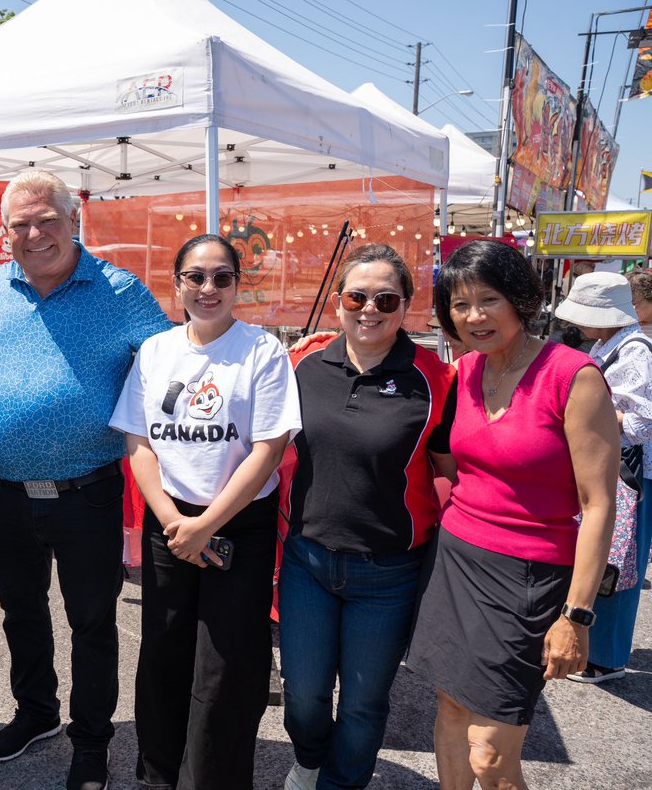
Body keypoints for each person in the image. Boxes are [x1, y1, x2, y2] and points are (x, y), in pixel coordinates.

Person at [0, 170, 169, 790]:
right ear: (4, 233)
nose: (34, 234)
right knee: (19, 612)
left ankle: (91, 740)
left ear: (73, 219)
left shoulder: (120, 289)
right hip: (3, 494)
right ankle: (36, 714)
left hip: (87, 494)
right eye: (19, 225)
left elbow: (175, 364)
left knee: (92, 621)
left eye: (46, 220)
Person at [408, 239, 617, 789]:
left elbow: (599, 505)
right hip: (454, 564)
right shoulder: (466, 370)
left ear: (520, 300)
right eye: (459, 304)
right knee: (451, 714)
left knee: (492, 757)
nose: (474, 316)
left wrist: (577, 616)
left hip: (529, 579)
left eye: (489, 300)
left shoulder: (573, 376)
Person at [110, 234, 301, 789]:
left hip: (236, 525)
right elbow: (139, 443)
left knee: (225, 666)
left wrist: (205, 526)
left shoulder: (262, 351)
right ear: (178, 284)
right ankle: (157, 775)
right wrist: (174, 522)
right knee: (164, 654)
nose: (209, 287)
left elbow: (269, 448)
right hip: (169, 524)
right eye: (196, 276)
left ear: (238, 285)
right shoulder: (156, 351)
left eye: (222, 277)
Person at [278, 244, 457, 790]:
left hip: (389, 573)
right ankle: (309, 760)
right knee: (304, 694)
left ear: (406, 307)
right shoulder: (303, 360)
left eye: (386, 298)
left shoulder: (434, 379)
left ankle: (343, 781)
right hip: (308, 561)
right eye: (357, 296)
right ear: (338, 303)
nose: (369, 308)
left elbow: (453, 472)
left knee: (362, 702)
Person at [553, 271, 652, 683]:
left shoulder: (636, 351)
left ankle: (607, 659)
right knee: (608, 560)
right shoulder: (610, 343)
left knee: (619, 566)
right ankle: (599, 650)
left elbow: (643, 423)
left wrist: (591, 412)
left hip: (632, 476)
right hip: (616, 468)